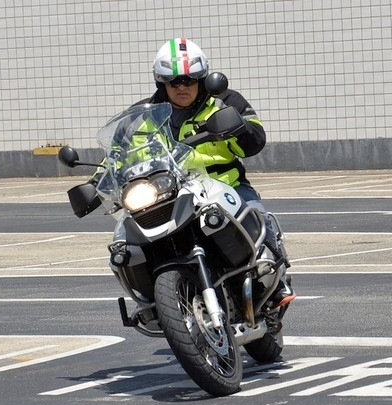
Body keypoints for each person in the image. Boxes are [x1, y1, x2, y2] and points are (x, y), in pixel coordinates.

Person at [112, 38, 295, 308]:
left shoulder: (224, 101)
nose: (182, 87)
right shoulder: (142, 117)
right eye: (174, 81)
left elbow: (255, 140)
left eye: (189, 79)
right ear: (161, 82)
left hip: (223, 184)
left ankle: (276, 282)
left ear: (202, 78)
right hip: (166, 194)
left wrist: (239, 126)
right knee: (124, 243)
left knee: (258, 216)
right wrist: (98, 183)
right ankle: (150, 301)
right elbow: (117, 156)